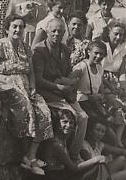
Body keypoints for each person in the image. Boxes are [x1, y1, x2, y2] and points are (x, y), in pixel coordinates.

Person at [0, 14, 54, 175]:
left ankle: (31, 156)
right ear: (7, 29)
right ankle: (25, 157)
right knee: (27, 108)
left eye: (21, 27)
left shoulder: (26, 48)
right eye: (14, 26)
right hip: (6, 85)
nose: (18, 30)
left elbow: (30, 71)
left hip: (24, 85)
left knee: (43, 110)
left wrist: (32, 86)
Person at [32, 17, 86, 159]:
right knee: (70, 115)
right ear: (47, 32)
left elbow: (67, 72)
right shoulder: (39, 50)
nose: (56, 34)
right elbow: (38, 79)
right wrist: (59, 87)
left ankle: (74, 154)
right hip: (46, 91)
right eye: (53, 31)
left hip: (62, 90)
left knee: (84, 117)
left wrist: (69, 82)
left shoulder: (65, 51)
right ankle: (61, 155)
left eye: (60, 32)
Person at [68, 41, 126, 147]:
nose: (98, 56)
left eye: (101, 54)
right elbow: (69, 82)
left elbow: (101, 92)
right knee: (95, 126)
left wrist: (99, 96)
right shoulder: (81, 67)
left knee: (111, 134)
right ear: (88, 52)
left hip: (94, 104)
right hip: (82, 103)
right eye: (96, 53)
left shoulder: (99, 69)